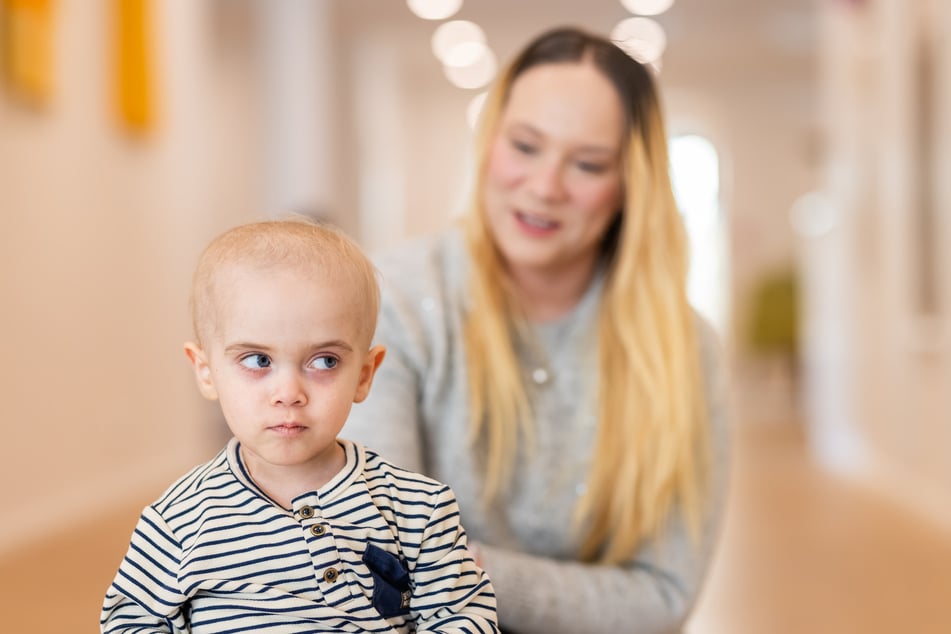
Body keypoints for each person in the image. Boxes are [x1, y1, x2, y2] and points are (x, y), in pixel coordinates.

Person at [343, 26, 729, 634]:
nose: (546, 187)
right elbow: (376, 563)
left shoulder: (686, 349)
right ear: (488, 141)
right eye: (525, 146)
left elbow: (664, 597)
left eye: (588, 163)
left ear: (631, 184)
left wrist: (453, 569)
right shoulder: (392, 301)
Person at [100, 219, 499, 634]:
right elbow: (129, 624)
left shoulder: (419, 508)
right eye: (258, 360)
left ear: (364, 375)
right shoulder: (177, 522)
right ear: (206, 372)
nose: (289, 393)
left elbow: (465, 617)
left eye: (324, 361)